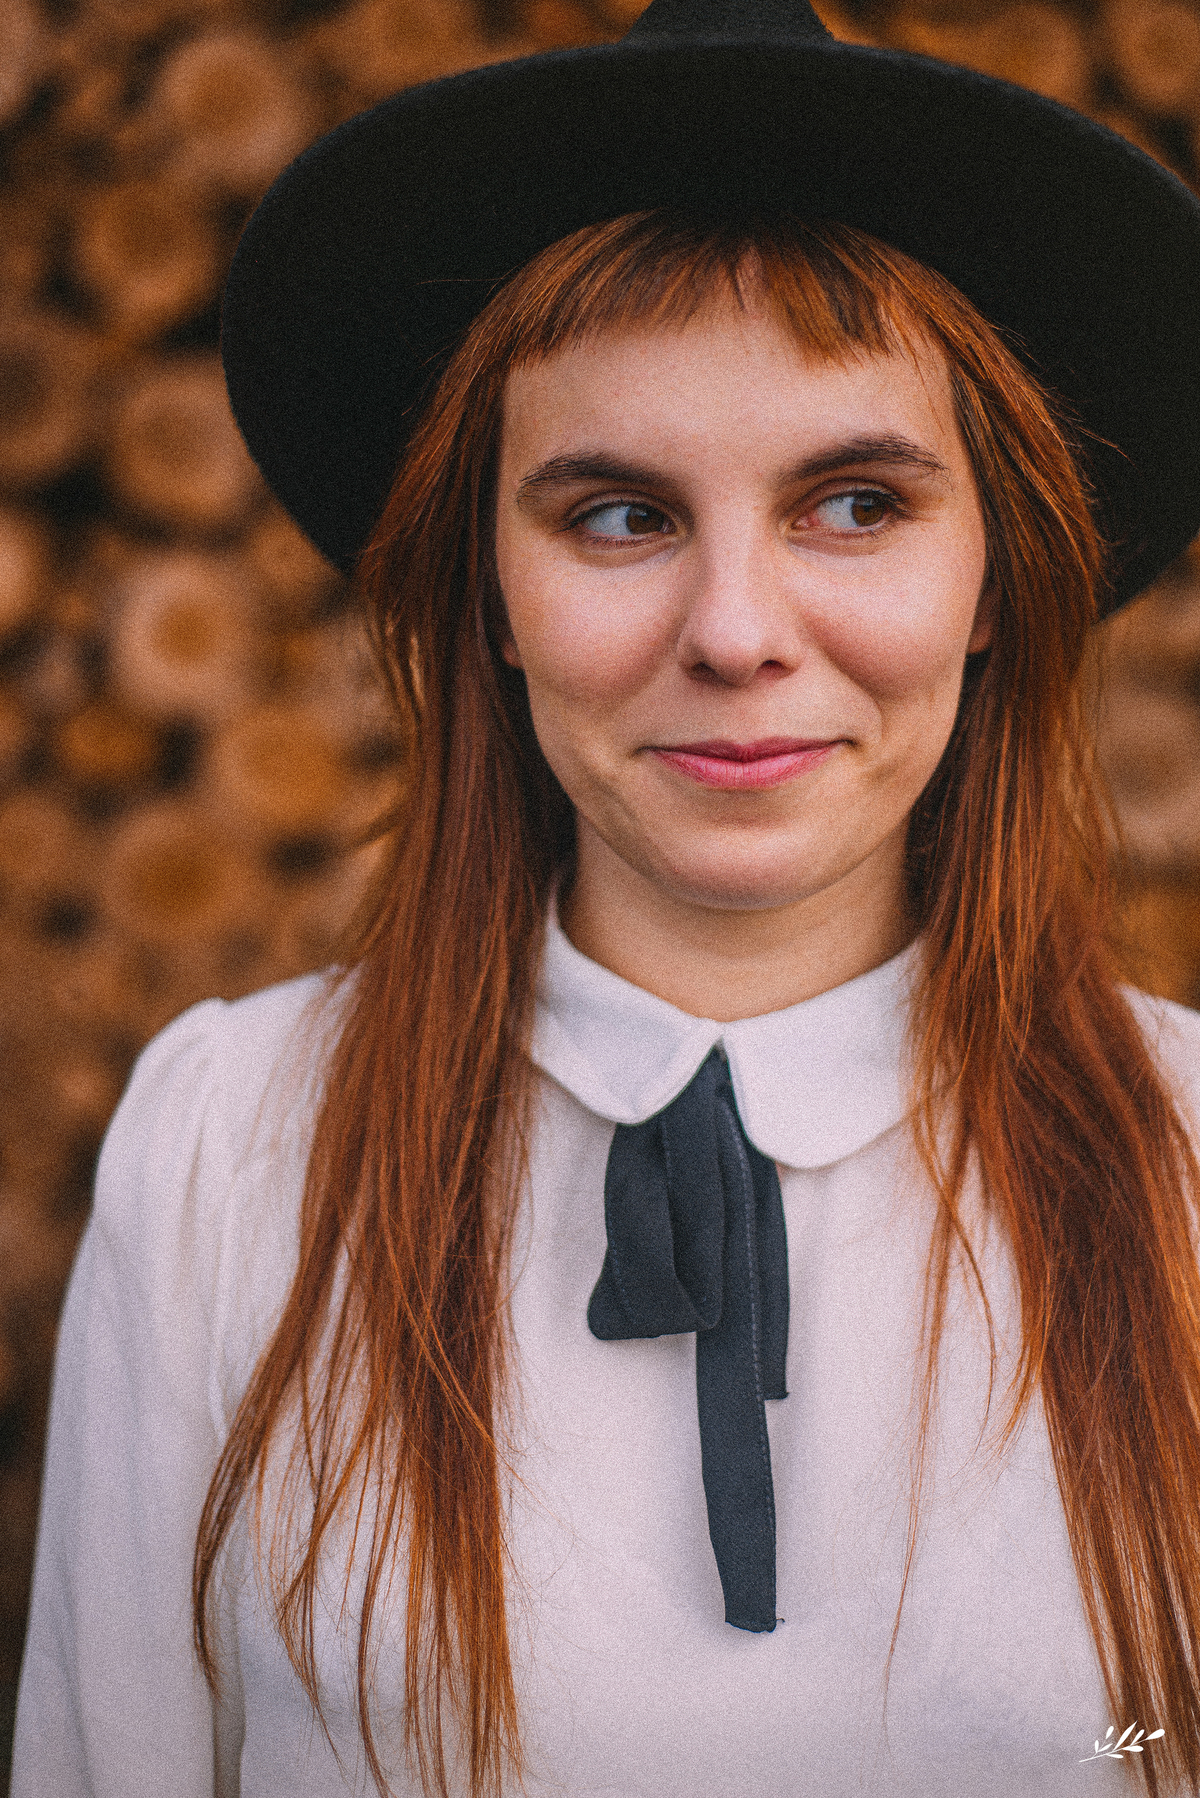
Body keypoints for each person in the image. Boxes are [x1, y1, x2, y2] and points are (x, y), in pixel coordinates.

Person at [14, 1, 1200, 1794]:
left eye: (857, 501)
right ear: (486, 587)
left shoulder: (1192, 1167)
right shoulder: (229, 1150)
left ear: (994, 575)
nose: (736, 630)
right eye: (620, 516)